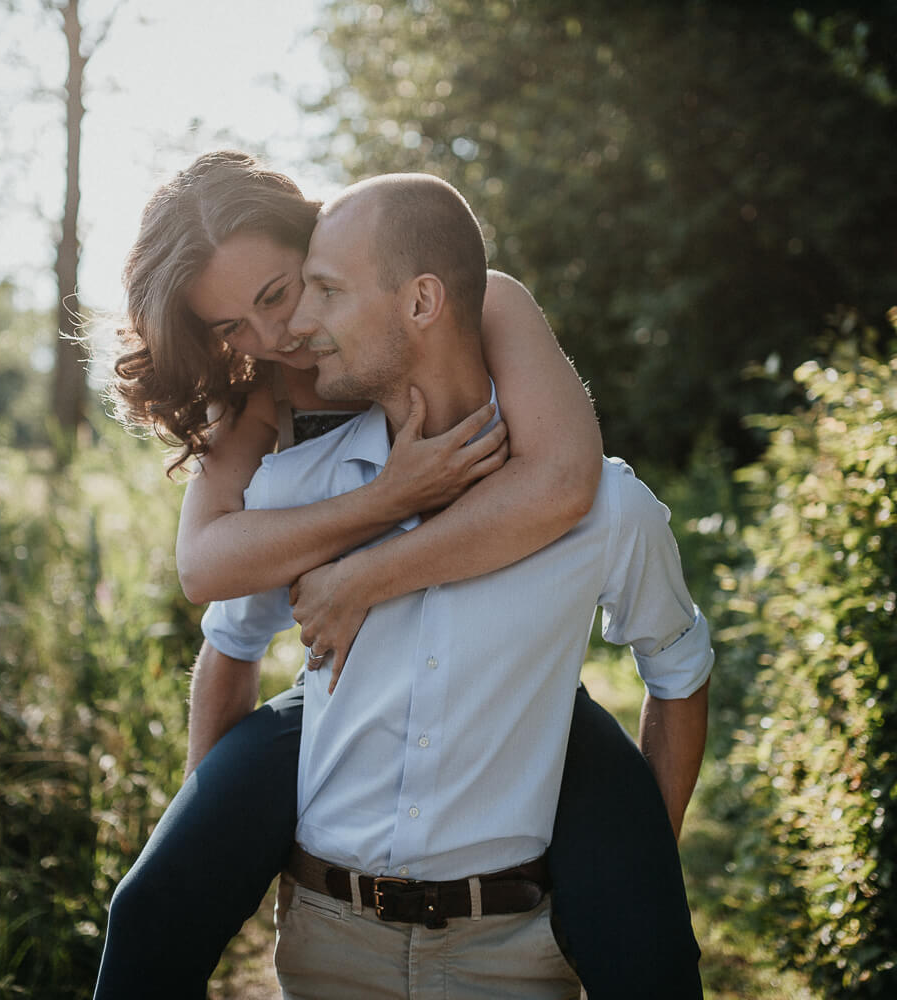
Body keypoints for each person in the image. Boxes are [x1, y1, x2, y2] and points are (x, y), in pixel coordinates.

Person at [92, 152, 706, 998]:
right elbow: (205, 569)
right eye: (228, 327)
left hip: (508, 687)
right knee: (158, 901)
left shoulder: (475, 298)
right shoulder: (260, 392)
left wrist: (366, 578)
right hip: (337, 690)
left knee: (639, 918)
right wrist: (389, 496)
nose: (273, 339)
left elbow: (568, 481)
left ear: (318, 251)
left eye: (279, 296)